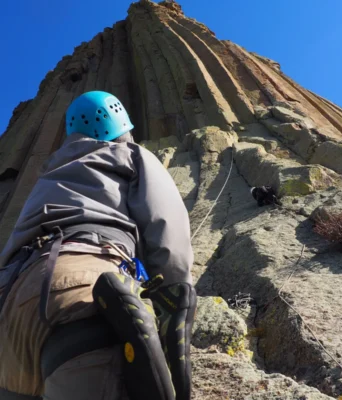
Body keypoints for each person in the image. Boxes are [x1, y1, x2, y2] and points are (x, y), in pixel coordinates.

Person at [0, 91, 197, 400]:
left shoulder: (46, 176)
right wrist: (170, 302)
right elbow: (166, 228)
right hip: (82, 285)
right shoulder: (129, 155)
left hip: (9, 311)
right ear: (119, 127)